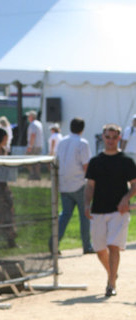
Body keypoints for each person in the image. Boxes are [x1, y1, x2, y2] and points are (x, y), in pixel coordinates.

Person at [84, 123, 136, 297]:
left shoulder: (126, 161)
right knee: (99, 249)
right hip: (98, 210)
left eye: (114, 137)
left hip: (118, 211)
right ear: (103, 137)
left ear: (119, 138)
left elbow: (134, 186)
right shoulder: (95, 162)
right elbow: (90, 186)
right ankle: (112, 273)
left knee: (113, 246)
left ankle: (111, 283)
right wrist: (86, 204)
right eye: (108, 137)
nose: (111, 140)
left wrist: (125, 199)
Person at [55, 117, 93, 254]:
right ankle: (87, 245)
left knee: (65, 215)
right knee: (85, 214)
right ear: (82, 129)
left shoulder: (62, 141)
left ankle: (54, 242)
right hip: (79, 183)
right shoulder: (82, 143)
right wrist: (91, 183)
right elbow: (86, 165)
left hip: (64, 183)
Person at [26, 110, 44, 180]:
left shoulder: (33, 124)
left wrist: (30, 146)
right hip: (39, 145)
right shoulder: (39, 123)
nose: (28, 117)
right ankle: (37, 175)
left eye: (29, 116)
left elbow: (33, 135)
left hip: (34, 146)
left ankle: (33, 173)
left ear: (31, 117)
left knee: (27, 160)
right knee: (36, 161)